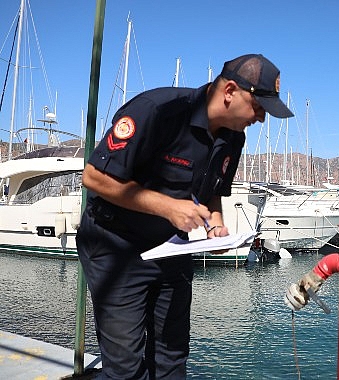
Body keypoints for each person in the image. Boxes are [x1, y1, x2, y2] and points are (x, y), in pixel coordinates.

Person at [77, 54, 293, 379]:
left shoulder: (234, 136)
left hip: (171, 249)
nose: (261, 118)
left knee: (172, 356)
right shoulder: (158, 110)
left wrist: (217, 225)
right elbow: (94, 177)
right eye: (259, 107)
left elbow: (212, 190)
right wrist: (169, 207)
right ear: (230, 91)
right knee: (125, 367)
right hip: (115, 248)